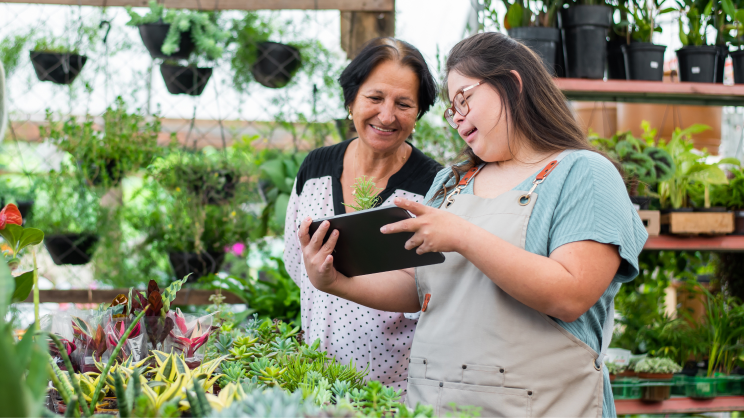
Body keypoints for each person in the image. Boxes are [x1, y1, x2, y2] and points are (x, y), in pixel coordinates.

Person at [298, 32, 648, 418]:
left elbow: (569, 295)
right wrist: (334, 281)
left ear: (512, 85)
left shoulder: (582, 173)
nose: (458, 116)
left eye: (465, 98)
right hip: (438, 405)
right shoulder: (451, 182)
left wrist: (462, 235)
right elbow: (417, 286)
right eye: (452, 108)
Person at [284, 37, 442, 391]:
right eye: (374, 98)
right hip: (313, 380)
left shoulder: (433, 187)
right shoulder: (315, 169)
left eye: (403, 103)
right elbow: (298, 264)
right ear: (351, 100)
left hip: (392, 391)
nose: (387, 116)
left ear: (418, 113)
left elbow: (429, 291)